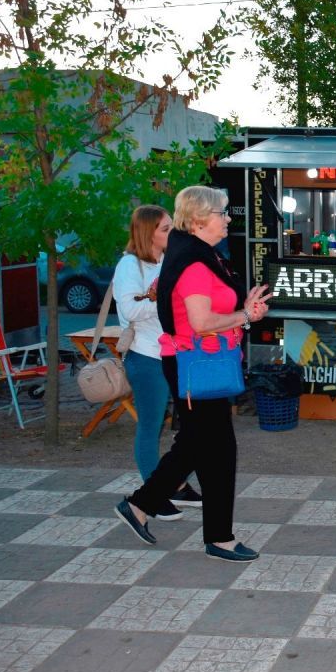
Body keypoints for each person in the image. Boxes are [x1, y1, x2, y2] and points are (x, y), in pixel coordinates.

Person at [114, 186, 272, 562]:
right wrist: (246, 316)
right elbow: (201, 322)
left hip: (194, 361)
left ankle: (143, 507)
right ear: (200, 219)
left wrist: (242, 307)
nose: (228, 218)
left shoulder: (192, 252)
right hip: (196, 363)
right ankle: (216, 537)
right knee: (213, 448)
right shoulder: (195, 262)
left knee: (199, 444)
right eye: (222, 212)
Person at [112, 205, 202, 519]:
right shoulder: (129, 266)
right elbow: (129, 311)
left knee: (189, 426)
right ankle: (154, 492)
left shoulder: (166, 261)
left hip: (174, 353)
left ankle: (175, 484)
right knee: (150, 427)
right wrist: (163, 300)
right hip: (146, 356)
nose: (171, 233)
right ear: (148, 232)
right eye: (165, 228)